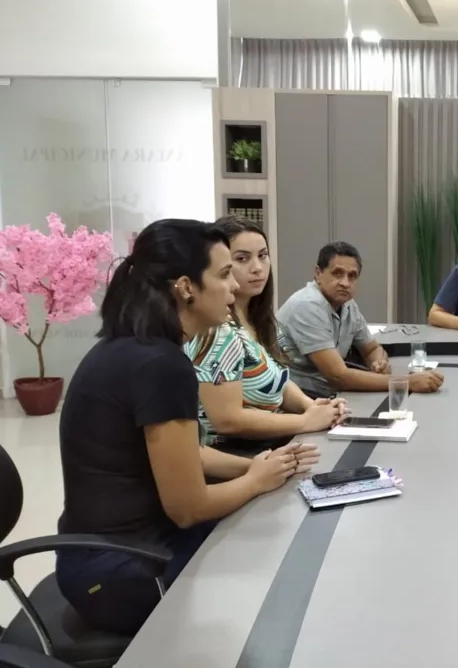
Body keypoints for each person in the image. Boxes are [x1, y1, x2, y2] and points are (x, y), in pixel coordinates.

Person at [56, 219, 320, 636]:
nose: (234, 286)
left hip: (104, 555)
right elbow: (188, 508)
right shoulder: (161, 364)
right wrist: (255, 481)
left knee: (269, 533)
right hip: (121, 572)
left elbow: (185, 457)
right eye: (223, 274)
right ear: (185, 287)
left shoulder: (133, 348)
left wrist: (266, 467)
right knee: (276, 578)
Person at [185, 216, 349, 456]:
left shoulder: (259, 320)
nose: (257, 267)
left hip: (268, 445)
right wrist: (307, 421)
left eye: (262, 255)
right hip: (233, 456)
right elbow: (228, 421)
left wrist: (313, 407)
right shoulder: (218, 329)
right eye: (242, 259)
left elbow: (276, 379)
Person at [277, 241, 444, 395]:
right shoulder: (307, 305)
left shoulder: (347, 304)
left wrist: (378, 363)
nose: (345, 283)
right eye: (337, 273)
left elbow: (371, 349)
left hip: (327, 394)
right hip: (296, 398)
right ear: (318, 273)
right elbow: (338, 377)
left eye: (352, 276)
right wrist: (406, 382)